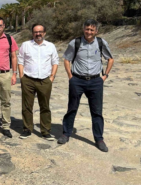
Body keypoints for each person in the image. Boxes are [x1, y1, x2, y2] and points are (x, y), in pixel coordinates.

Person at [58, 19, 114, 152]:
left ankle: (99, 139)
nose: (89, 32)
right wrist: (70, 77)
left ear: (96, 31)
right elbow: (67, 59)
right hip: (77, 80)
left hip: (96, 82)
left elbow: (110, 59)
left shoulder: (101, 43)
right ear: (83, 29)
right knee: (72, 108)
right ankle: (66, 134)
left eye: (92, 30)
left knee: (97, 112)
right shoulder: (75, 43)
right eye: (87, 29)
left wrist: (105, 76)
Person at [18, 24, 59, 140]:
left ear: (44, 33)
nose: (38, 34)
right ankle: (27, 129)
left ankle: (45, 131)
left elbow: (55, 61)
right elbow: (20, 61)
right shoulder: (26, 45)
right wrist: (22, 76)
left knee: (45, 106)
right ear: (32, 33)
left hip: (45, 80)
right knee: (27, 106)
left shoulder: (50, 46)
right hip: (28, 79)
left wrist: (52, 77)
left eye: (40, 31)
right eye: (36, 32)